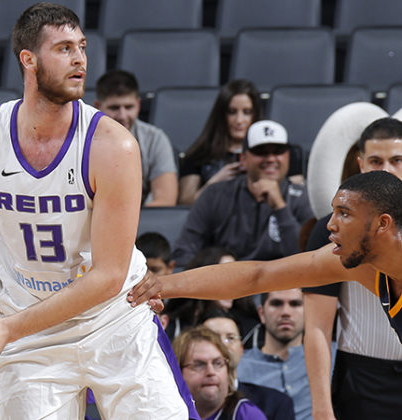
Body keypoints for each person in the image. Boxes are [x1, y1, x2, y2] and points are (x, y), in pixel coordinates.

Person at [0, 3, 198, 419]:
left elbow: (108, 275)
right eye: (64, 48)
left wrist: (4, 329)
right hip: (27, 327)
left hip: (113, 320)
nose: (80, 59)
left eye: (82, 47)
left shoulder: (113, 145)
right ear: (28, 59)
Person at [129, 170, 402, 344]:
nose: (330, 225)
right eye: (333, 212)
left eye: (345, 214)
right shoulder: (364, 266)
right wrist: (163, 285)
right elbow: (258, 276)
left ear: (383, 223)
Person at [302, 114, 402, 420]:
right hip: (361, 381)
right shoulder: (331, 229)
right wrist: (321, 409)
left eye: (397, 160)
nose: (386, 170)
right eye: (375, 161)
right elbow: (317, 327)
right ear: (360, 164)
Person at [172, 120, 314, 267]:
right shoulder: (214, 195)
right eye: (261, 152)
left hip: (283, 279)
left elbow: (309, 259)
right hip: (228, 278)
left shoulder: (303, 198)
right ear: (243, 159)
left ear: (288, 156)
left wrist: (280, 207)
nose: (271, 159)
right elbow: (184, 253)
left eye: (278, 151)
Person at [94, 70, 178, 206]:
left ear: (138, 105)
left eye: (129, 107)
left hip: (143, 216)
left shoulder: (155, 139)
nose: (122, 116)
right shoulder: (82, 140)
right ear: (98, 106)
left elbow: (165, 200)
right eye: (114, 108)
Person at [200, 308, 296, 420]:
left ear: (241, 349)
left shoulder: (275, 403)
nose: (222, 344)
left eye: (230, 338)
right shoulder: (184, 402)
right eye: (212, 338)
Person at [237, 290, 312, 420]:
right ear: (261, 314)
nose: (285, 312)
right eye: (276, 304)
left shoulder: (331, 358)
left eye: (295, 304)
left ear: (308, 312)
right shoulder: (240, 366)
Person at [174, 326, 267, 420]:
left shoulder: (246, 415)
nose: (211, 372)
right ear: (177, 373)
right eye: (199, 365)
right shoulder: (168, 413)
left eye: (218, 363)